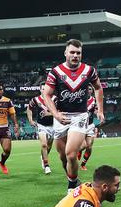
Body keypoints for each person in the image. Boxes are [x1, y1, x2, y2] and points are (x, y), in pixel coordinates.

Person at [41, 39, 104, 192]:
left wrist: (100, 110)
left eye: (78, 53)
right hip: (61, 117)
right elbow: (47, 95)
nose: (75, 55)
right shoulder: (56, 72)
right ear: (65, 53)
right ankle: (74, 180)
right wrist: (55, 114)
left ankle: (71, 187)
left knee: (71, 154)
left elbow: (98, 88)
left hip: (80, 117)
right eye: (72, 52)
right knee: (63, 157)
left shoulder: (89, 70)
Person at [27, 83, 56, 175]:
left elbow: (59, 111)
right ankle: (46, 165)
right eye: (43, 89)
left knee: (49, 146)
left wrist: (50, 114)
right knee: (44, 145)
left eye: (46, 88)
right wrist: (31, 120)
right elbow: (29, 108)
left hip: (53, 125)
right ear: (40, 90)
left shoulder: (54, 99)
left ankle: (43, 157)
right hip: (41, 125)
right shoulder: (36, 99)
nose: (44, 90)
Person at [79, 87, 99, 171]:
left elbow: (96, 111)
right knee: (83, 146)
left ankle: (83, 164)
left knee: (89, 147)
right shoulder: (79, 99)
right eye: (87, 88)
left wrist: (98, 116)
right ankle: (77, 152)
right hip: (80, 125)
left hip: (90, 125)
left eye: (90, 89)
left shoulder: (94, 100)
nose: (89, 90)